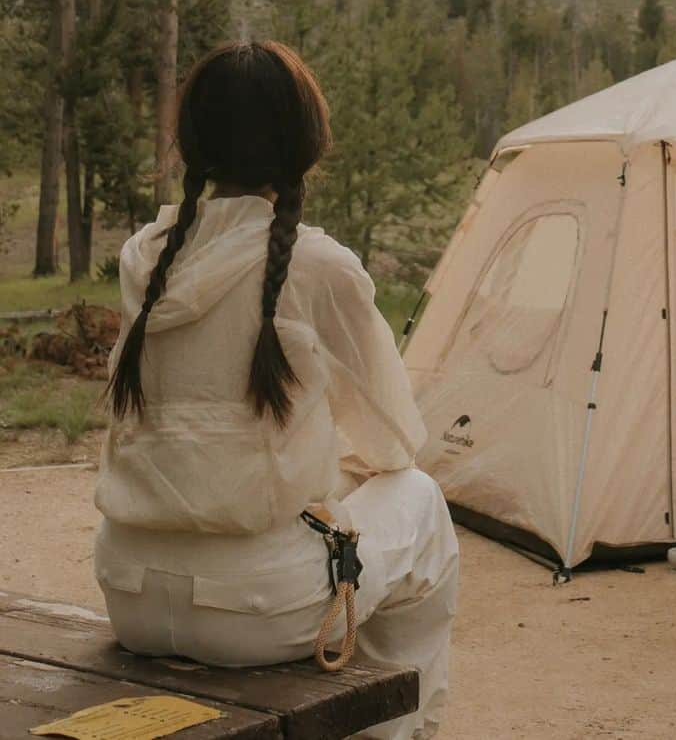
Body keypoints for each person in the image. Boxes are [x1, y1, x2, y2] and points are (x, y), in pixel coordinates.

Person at [94, 40, 458, 740]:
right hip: (260, 610)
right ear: (304, 143)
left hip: (130, 595)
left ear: (192, 140)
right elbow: (393, 442)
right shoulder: (319, 266)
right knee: (419, 500)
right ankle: (390, 728)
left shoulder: (144, 259)